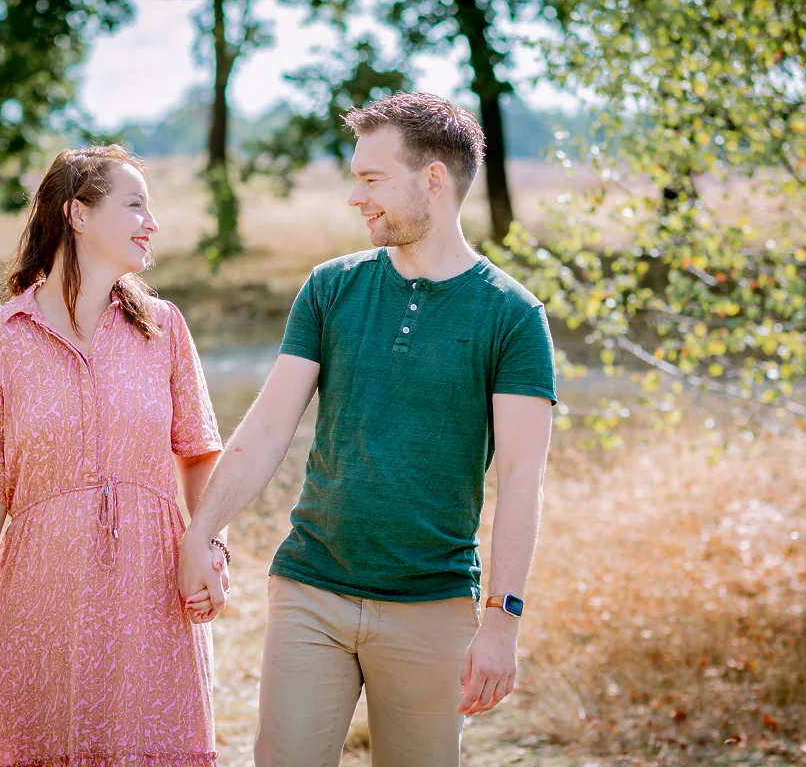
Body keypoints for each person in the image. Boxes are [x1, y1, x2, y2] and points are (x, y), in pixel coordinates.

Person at [177, 92, 558, 766]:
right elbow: (267, 427)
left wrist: (504, 617)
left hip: (432, 604)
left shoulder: (513, 316)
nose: (357, 196)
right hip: (310, 588)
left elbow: (524, 476)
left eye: (373, 179)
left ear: (433, 180)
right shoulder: (331, 288)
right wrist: (200, 531)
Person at [0, 145, 230, 767]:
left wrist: (209, 548)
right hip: (42, 595)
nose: (152, 222)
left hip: (153, 593)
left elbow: (200, 452)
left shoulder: (164, 328)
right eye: (134, 204)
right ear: (77, 214)